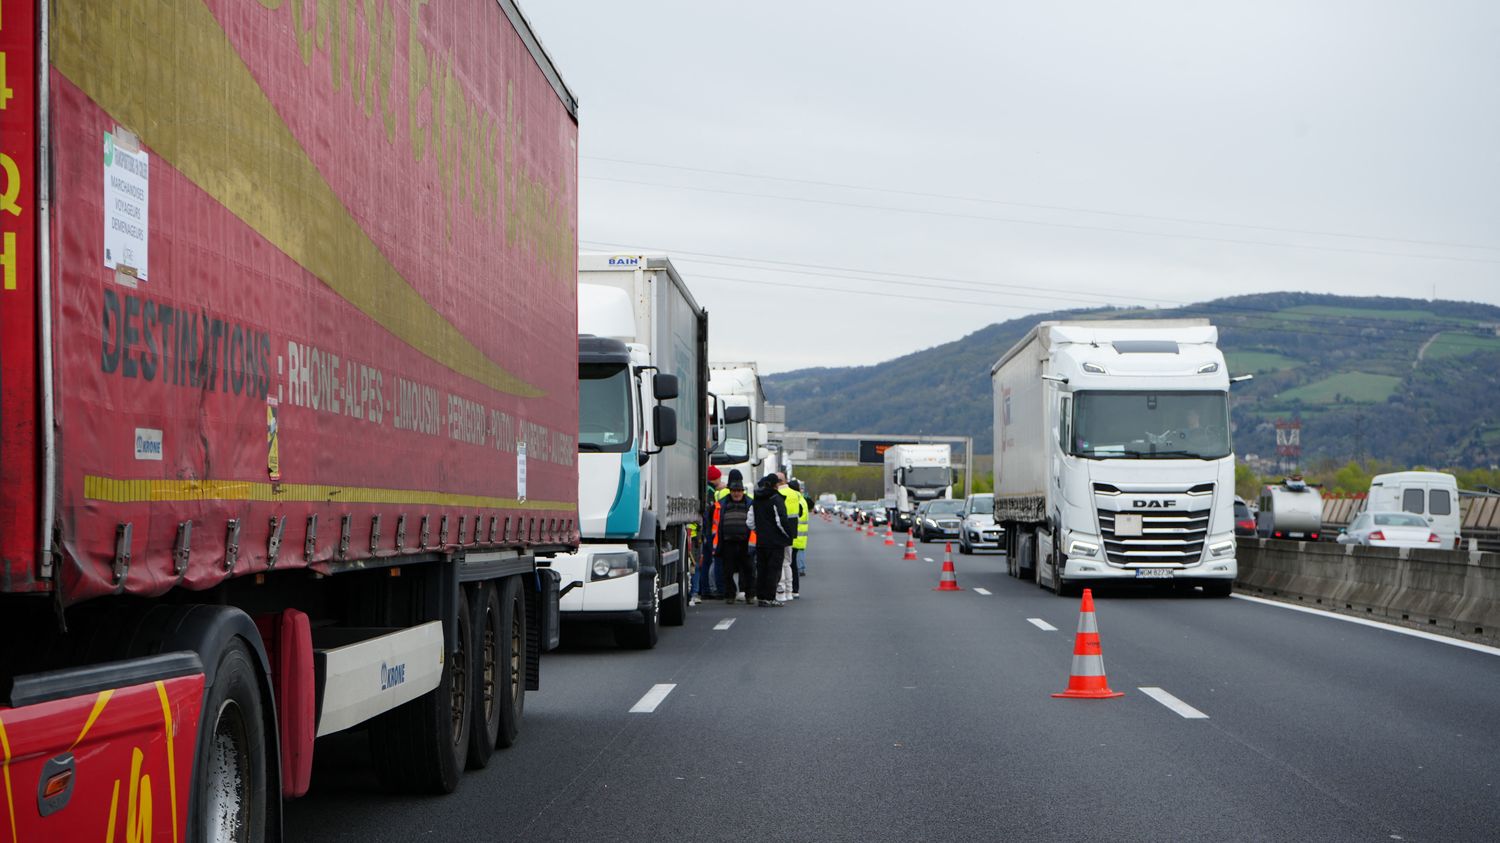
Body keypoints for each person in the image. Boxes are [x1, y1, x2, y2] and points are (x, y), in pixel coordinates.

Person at [749, 473, 793, 607]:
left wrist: (759, 530)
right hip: (776, 542)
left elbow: (750, 521)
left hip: (761, 541)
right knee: (773, 571)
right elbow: (781, 521)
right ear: (776, 485)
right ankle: (770, 597)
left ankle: (761, 596)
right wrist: (788, 535)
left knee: (762, 569)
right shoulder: (776, 499)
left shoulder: (756, 499)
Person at [714, 469, 754, 604]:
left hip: (745, 543)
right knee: (728, 571)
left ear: (743, 491)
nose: (736, 493)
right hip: (728, 542)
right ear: (730, 491)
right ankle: (730, 594)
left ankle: (749, 594)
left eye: (739, 491)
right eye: (734, 491)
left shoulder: (750, 503)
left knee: (748, 570)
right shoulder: (722, 503)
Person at [691, 467, 725, 605]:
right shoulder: (710, 492)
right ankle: (704, 589)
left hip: (702, 531)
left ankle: (702, 590)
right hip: (706, 531)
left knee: (703, 562)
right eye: (719, 477)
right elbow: (709, 513)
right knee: (706, 561)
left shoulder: (706, 489)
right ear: (714, 478)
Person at [776, 475, 805, 600]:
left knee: (780, 563)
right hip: (793, 533)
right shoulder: (796, 494)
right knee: (789, 563)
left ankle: (781, 592)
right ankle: (791, 591)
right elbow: (800, 512)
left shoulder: (778, 494)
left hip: (779, 532)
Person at [788, 479, 810, 590]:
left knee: (791, 565)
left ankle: (793, 588)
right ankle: (794, 588)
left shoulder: (795, 499)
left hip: (795, 535)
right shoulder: (802, 499)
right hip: (800, 535)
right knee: (795, 561)